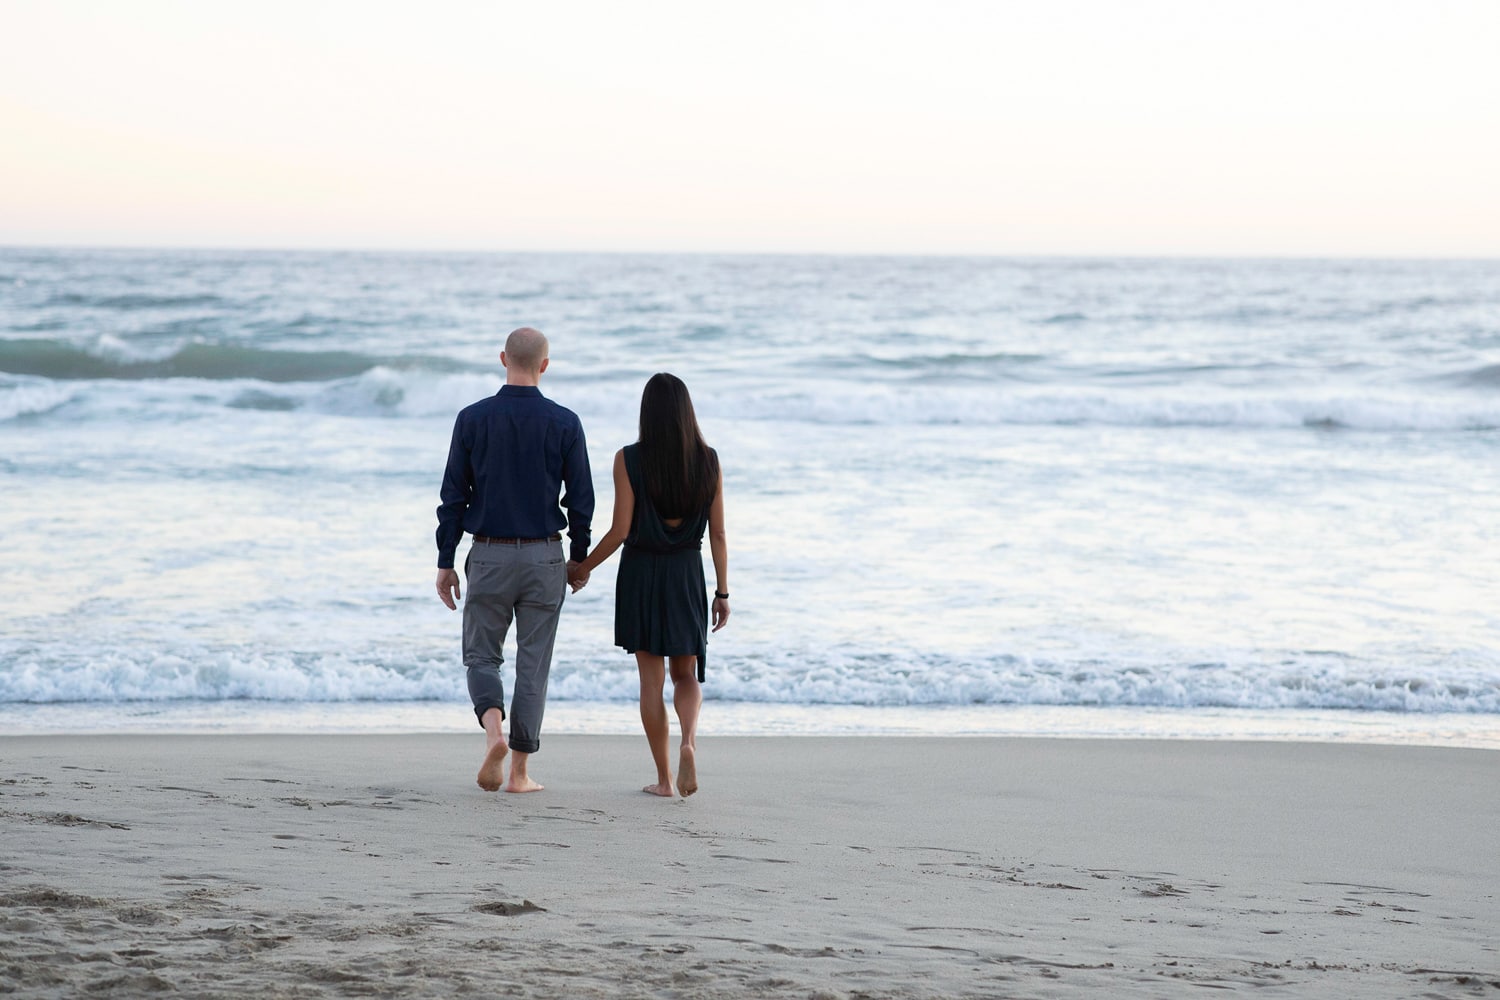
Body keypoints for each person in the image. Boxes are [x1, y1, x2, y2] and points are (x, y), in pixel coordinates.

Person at [434, 327, 594, 794]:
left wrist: (446, 559)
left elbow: (452, 498)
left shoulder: (472, 418)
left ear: (503, 358)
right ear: (544, 365)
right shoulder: (565, 422)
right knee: (534, 664)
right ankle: (520, 774)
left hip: (488, 553)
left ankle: (493, 732)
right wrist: (578, 559)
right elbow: (581, 501)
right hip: (545, 555)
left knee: (482, 655)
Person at [572, 373, 729, 797]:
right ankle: (689, 742)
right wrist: (722, 592)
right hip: (686, 575)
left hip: (641, 574)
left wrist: (582, 567)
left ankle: (663, 779)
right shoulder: (709, 461)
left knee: (650, 681)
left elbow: (620, 529)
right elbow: (717, 534)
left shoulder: (628, 459)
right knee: (686, 673)